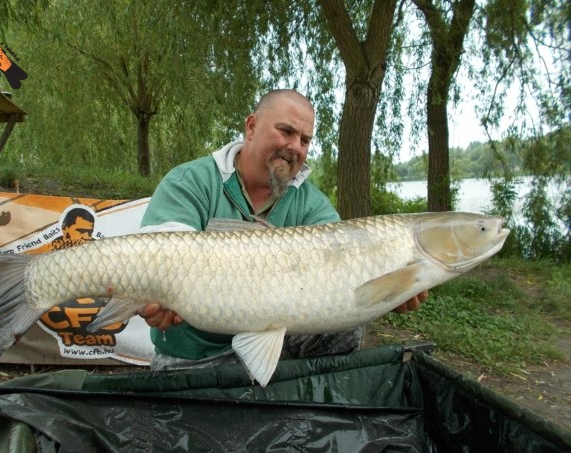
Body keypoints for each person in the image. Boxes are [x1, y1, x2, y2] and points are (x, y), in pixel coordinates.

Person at [138, 89, 427, 369]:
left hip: (278, 350)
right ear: (251, 127)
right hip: (193, 355)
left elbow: (342, 269)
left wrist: (387, 291)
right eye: (286, 132)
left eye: (305, 140)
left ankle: (292, 394)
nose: (295, 147)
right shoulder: (189, 181)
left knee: (348, 331)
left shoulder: (313, 204)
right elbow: (152, 262)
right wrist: (153, 297)